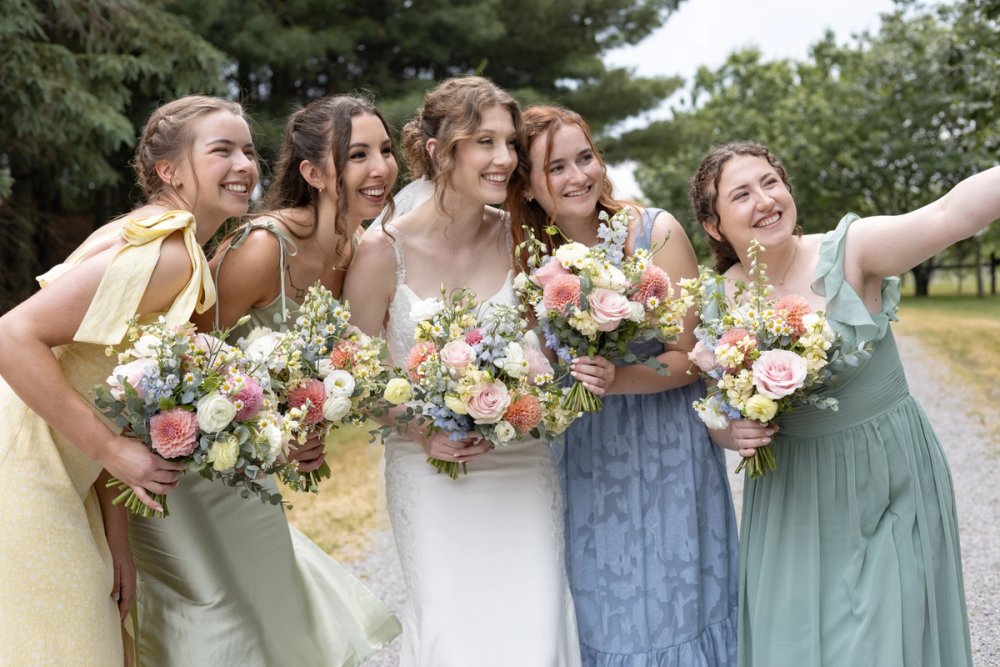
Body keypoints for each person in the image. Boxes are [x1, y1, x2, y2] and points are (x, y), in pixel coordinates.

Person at [690, 140, 990, 667]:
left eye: (770, 182)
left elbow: (949, 214)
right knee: (798, 645)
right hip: (793, 496)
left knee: (886, 638)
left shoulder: (852, 250)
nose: (765, 200)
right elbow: (718, 413)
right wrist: (732, 434)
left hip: (888, 477)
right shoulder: (719, 300)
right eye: (741, 194)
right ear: (714, 225)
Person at [129, 95, 402, 666]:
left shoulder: (356, 249)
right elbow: (185, 366)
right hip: (185, 467)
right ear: (313, 173)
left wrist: (305, 424)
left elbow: (308, 374)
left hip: (246, 466)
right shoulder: (260, 249)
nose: (380, 168)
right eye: (357, 155)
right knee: (222, 624)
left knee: (273, 619)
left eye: (384, 150)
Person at [0, 95, 252, 664]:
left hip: (65, 478)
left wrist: (119, 539)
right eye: (222, 150)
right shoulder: (166, 255)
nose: (244, 165)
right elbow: (12, 336)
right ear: (169, 171)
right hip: (24, 473)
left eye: (249, 150)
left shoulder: (168, 241)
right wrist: (112, 450)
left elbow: (117, 393)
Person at [343, 76, 581, 667]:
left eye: (508, 144)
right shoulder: (382, 252)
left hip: (522, 468)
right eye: (484, 142)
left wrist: (532, 391)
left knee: (536, 629)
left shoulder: (524, 242)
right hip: (431, 474)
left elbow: (551, 360)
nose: (504, 159)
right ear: (437, 148)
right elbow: (354, 374)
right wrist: (423, 429)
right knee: (455, 636)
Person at [509, 105, 739, 666]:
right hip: (587, 452)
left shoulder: (654, 232)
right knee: (606, 603)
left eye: (584, 157)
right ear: (532, 188)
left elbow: (691, 357)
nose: (577, 176)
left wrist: (620, 378)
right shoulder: (526, 259)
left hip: (668, 445)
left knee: (679, 596)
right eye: (555, 167)